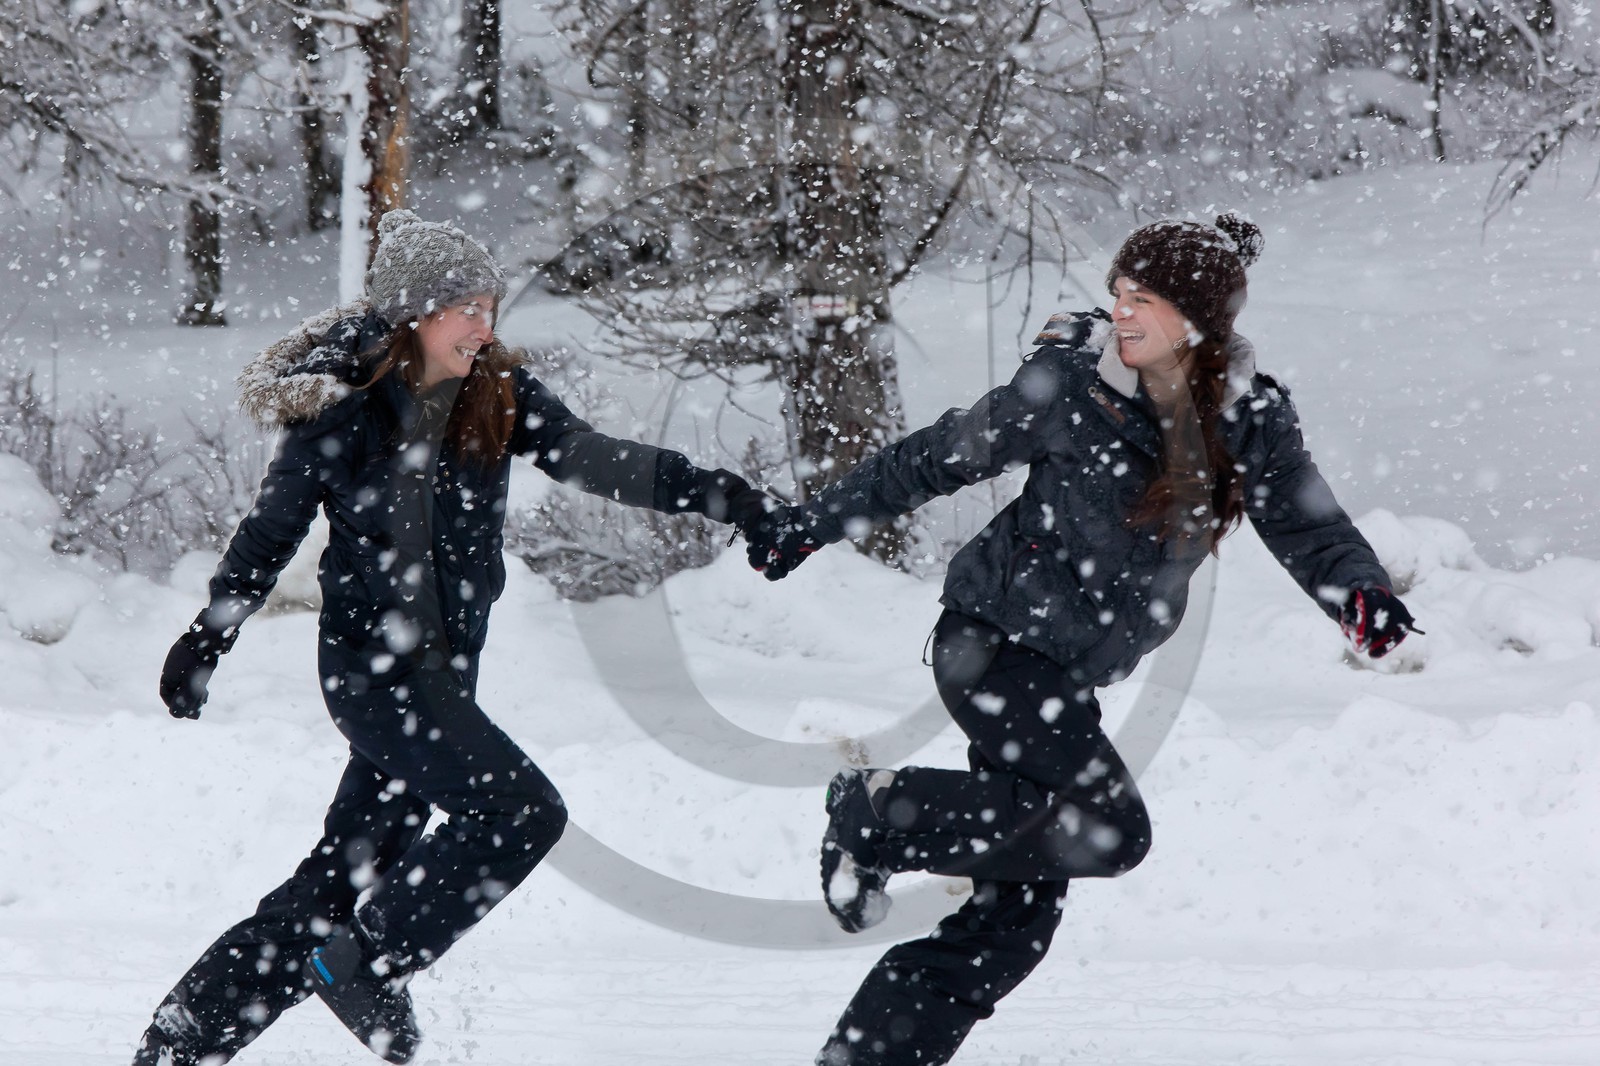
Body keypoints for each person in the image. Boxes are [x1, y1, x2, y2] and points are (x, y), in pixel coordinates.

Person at [739, 214, 1420, 1066]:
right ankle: (876, 811)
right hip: (990, 644)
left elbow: (1304, 517)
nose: (1121, 314)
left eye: (1142, 300)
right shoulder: (1068, 388)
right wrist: (811, 523)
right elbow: (935, 457)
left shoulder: (1248, 418)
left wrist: (1360, 590)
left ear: (1198, 320)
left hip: (1065, 672)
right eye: (1118, 296)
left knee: (1011, 925)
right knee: (1109, 830)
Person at [133, 210, 762, 1065]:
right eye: (464, 306)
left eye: (489, 305)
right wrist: (210, 635)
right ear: (413, 315)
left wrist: (721, 494)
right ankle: (367, 965)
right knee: (520, 811)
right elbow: (271, 530)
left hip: (443, 678)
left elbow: (594, 456)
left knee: (341, 878)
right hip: (376, 678)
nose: (484, 324)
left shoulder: (496, 394)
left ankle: (186, 1036)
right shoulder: (344, 409)